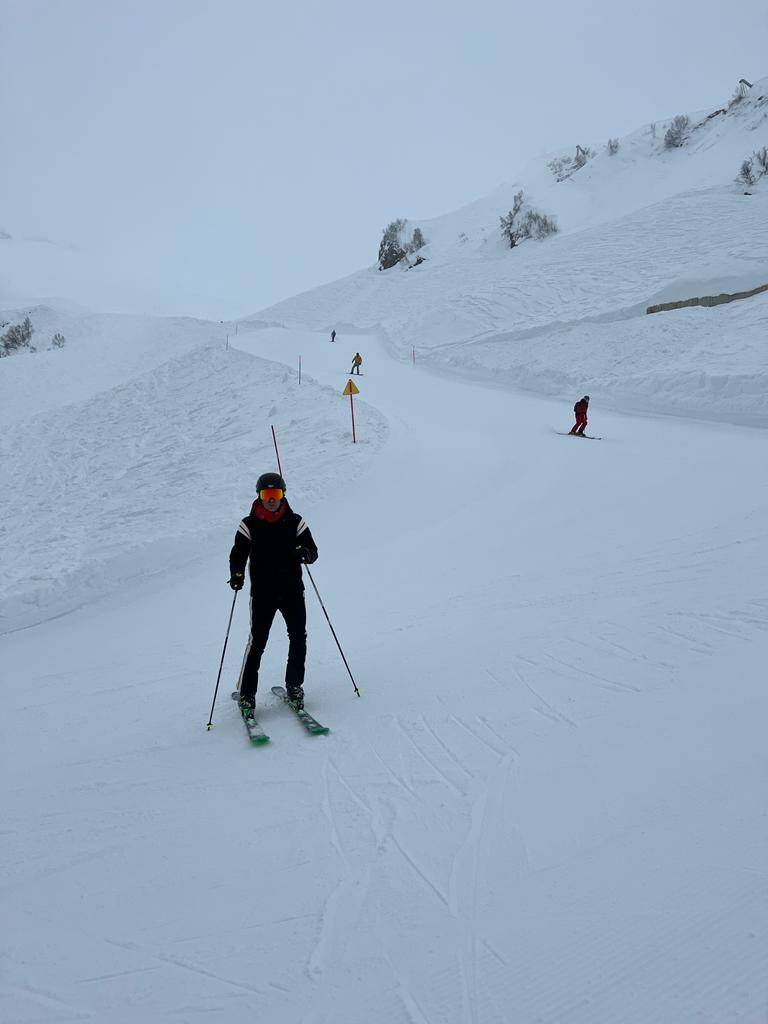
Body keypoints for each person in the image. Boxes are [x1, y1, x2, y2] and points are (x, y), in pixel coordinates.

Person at [229, 472, 318, 715]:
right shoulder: (249, 524)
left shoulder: (295, 522)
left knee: (299, 636)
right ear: (259, 496)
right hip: (263, 594)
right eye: (267, 495)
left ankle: (294, 686)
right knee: (257, 642)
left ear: (283, 495)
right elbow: (238, 554)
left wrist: (306, 554)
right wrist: (237, 574)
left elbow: (313, 550)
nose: (271, 499)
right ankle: (247, 695)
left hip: (292, 591)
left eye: (275, 494)